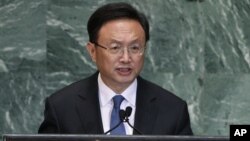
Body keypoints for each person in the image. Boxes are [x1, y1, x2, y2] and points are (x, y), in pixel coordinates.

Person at [38, 2, 193, 135]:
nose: (126, 58)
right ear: (93, 51)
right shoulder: (62, 107)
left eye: (134, 47)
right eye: (115, 47)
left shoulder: (173, 110)